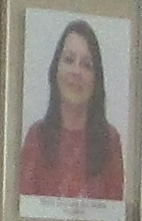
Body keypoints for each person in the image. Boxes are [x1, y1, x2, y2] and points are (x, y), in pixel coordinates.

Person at [14, 14, 125, 205]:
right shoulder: (36, 137)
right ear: (55, 70)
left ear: (96, 79)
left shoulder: (110, 140)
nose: (76, 72)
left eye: (87, 65)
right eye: (69, 60)